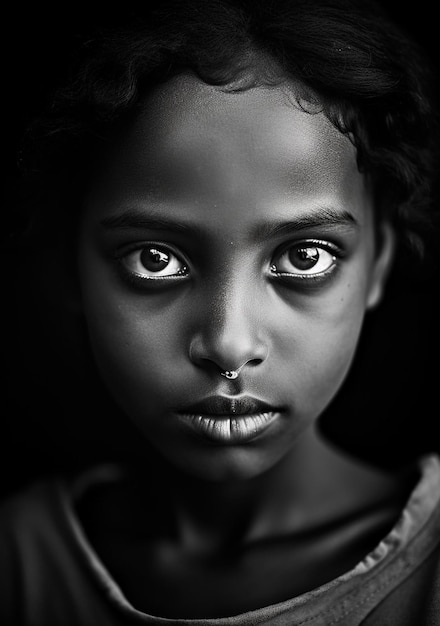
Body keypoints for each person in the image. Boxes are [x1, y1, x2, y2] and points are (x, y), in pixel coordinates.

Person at [1, 0, 440, 623]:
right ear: (73, 264)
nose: (229, 346)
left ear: (380, 260)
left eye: (306, 257)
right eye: (154, 261)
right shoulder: (17, 565)